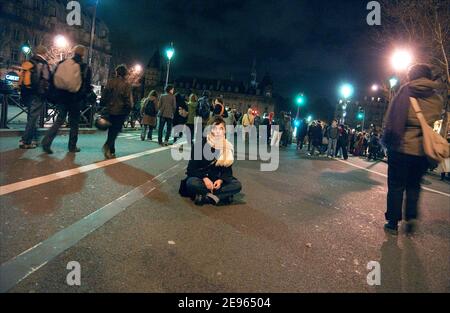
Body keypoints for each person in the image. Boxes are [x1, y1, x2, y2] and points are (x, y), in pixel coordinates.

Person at [382, 63, 444, 235]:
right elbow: (434, 120)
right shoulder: (436, 99)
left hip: (401, 147)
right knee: (414, 186)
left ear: (412, 76)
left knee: (396, 185)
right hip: (422, 150)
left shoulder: (404, 92)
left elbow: (391, 118)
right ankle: (411, 219)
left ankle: (393, 222)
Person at [42, 45, 92, 154]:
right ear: (83, 54)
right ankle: (72, 146)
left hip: (62, 97)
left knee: (59, 120)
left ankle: (46, 141)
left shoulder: (63, 63)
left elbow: (52, 79)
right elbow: (87, 86)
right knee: (74, 123)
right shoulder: (85, 67)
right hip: (75, 99)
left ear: (73, 52)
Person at [185, 116, 242, 206]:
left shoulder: (227, 147)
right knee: (191, 182)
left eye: (221, 128)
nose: (218, 131)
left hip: (216, 180)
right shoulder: (199, 144)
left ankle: (206, 196)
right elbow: (191, 169)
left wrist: (220, 180)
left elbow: (227, 171)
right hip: (200, 178)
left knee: (237, 185)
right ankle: (220, 196)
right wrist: (205, 178)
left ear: (225, 131)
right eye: (215, 128)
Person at [19, 45, 51, 149]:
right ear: (44, 53)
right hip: (38, 94)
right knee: (33, 118)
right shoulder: (43, 63)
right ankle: (26, 141)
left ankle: (30, 138)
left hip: (27, 93)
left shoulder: (30, 61)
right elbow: (47, 78)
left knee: (31, 116)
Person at [101, 64, 133, 159]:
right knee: (116, 130)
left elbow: (104, 96)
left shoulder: (110, 82)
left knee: (111, 130)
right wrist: (129, 108)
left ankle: (112, 149)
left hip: (109, 109)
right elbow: (127, 99)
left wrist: (104, 104)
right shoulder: (126, 84)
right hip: (120, 110)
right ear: (125, 73)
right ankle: (107, 146)